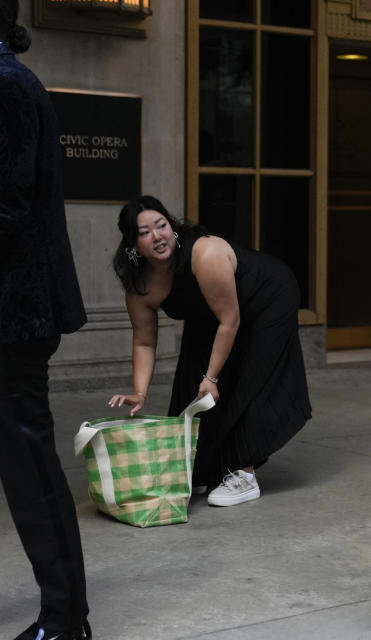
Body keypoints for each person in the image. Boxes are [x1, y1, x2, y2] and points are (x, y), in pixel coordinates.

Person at [108, 195, 311, 507]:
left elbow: (230, 320)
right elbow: (144, 341)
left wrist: (213, 377)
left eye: (162, 225)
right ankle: (203, 467)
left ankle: (244, 474)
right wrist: (140, 391)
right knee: (193, 384)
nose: (158, 236)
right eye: (145, 232)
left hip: (266, 299)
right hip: (212, 315)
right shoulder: (140, 286)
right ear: (133, 244)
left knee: (246, 378)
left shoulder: (205, 253)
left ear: (172, 227)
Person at [0, 2, 92, 638]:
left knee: (30, 469)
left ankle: (64, 620)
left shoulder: (6, 85)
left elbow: (7, 210)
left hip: (13, 313)